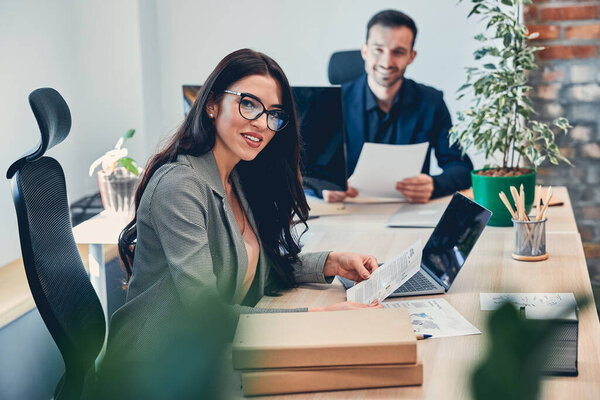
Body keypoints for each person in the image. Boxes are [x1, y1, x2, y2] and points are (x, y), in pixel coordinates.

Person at [92, 49, 383, 397]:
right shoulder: (180, 186)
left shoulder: (237, 179)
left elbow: (253, 268)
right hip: (154, 374)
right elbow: (207, 311)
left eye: (274, 114)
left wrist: (331, 262)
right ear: (212, 104)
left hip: (213, 358)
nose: (262, 122)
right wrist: (315, 319)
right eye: (249, 104)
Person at [324, 9, 473, 204]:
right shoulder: (332, 102)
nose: (387, 62)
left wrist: (434, 185)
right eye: (378, 50)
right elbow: (302, 170)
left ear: (411, 56)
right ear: (365, 51)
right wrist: (323, 188)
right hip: (349, 212)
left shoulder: (431, 101)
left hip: (409, 211)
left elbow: (462, 168)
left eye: (398, 52)